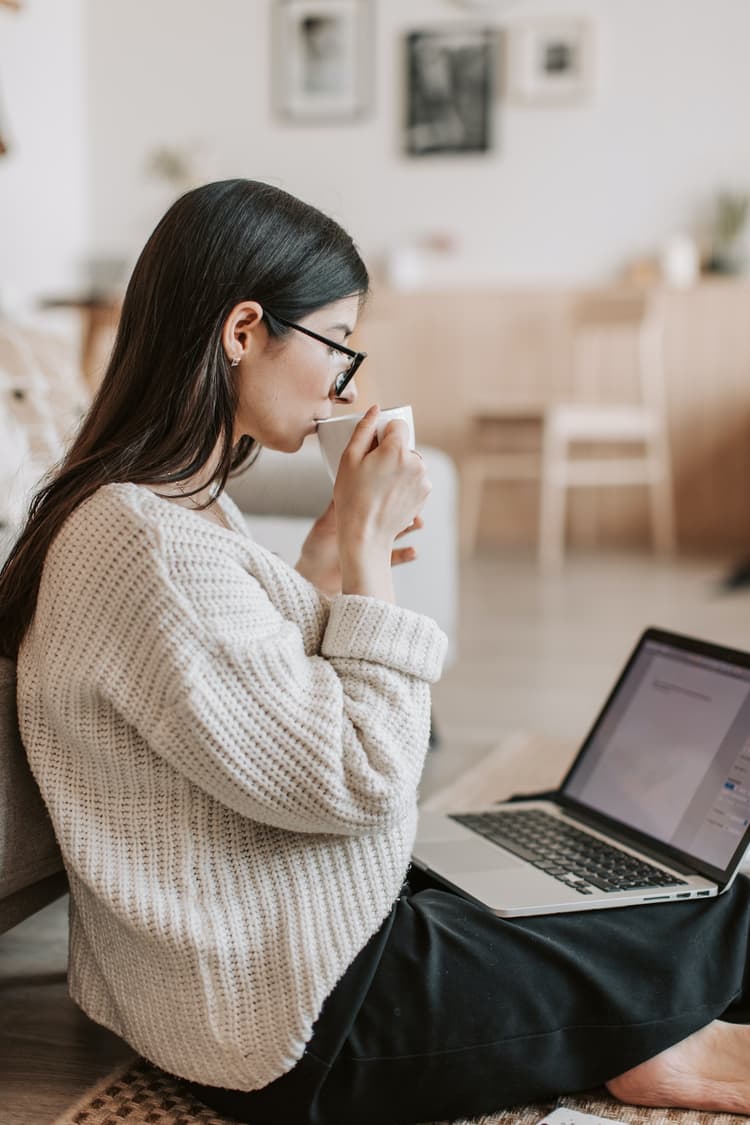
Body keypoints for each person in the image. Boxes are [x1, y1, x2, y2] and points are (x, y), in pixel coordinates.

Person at [3, 179, 750, 1125]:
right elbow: (362, 776)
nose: (348, 382)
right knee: (722, 911)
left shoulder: (150, 509)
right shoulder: (145, 541)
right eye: (337, 342)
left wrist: (322, 557)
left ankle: (642, 1030)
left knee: (575, 874)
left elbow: (254, 710)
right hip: (302, 1016)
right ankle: (661, 1039)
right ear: (243, 331)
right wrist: (365, 559)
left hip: (269, 957)